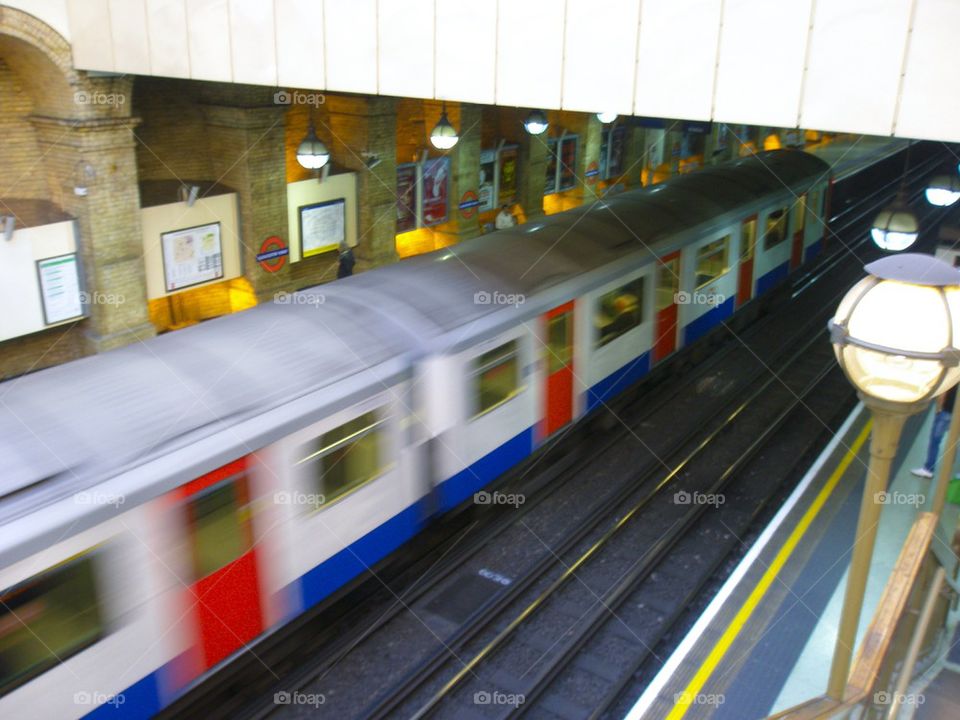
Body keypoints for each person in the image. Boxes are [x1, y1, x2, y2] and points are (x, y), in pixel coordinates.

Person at [912, 384, 957, 479]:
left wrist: (938, 409)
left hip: (946, 411)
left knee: (935, 441)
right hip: (957, 414)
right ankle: (954, 470)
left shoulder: (954, 375)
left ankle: (928, 469)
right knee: (954, 441)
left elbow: (943, 393)